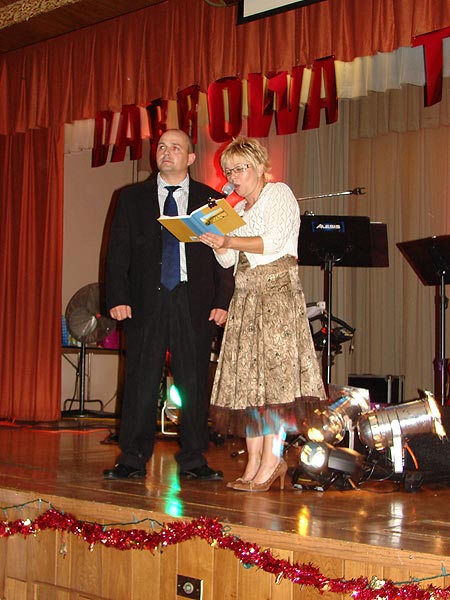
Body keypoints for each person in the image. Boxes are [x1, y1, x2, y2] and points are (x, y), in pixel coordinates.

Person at [103, 129, 234, 481]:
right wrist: (118, 297)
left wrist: (223, 300)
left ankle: (194, 458)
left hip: (194, 301)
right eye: (162, 146)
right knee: (140, 378)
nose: (166, 152)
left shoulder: (211, 201)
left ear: (190, 157)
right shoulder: (131, 198)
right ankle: (132, 457)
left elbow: (226, 256)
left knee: (194, 380)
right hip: (146, 301)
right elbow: (117, 252)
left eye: (176, 147)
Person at [199, 136, 326, 492]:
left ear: (258, 167)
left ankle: (273, 460)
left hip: (276, 295)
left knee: (275, 382)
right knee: (250, 384)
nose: (233, 177)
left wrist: (228, 240)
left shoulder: (278, 194)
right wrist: (215, 239)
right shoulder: (237, 210)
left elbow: (272, 242)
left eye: (240, 168)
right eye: (228, 171)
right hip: (246, 297)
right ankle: (253, 461)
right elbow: (228, 260)